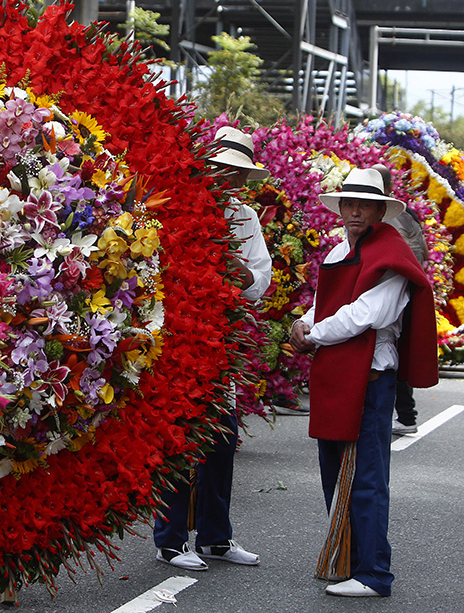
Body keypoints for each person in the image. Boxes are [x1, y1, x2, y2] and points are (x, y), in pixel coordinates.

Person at [289, 168, 438, 597]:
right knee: (335, 474)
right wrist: (303, 322)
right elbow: (324, 305)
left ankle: (374, 573)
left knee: (367, 478)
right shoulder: (340, 250)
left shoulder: (390, 253)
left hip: (369, 380)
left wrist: (313, 334)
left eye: (364, 204)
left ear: (379, 210)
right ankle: (348, 558)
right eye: (348, 204)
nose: (354, 211)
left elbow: (368, 314)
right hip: (337, 376)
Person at [153, 126, 271, 571]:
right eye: (221, 170)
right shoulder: (180, 210)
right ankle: (170, 540)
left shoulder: (245, 219)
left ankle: (215, 538)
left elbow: (261, 281)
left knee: (221, 439)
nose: (228, 181)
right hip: (181, 339)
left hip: (225, 341)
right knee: (180, 437)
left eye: (236, 175)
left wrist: (241, 273)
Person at [372, 164, 426, 436]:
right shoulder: (408, 215)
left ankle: (404, 415)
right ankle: (405, 414)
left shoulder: (388, 217)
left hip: (391, 291)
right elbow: (422, 254)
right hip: (409, 290)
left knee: (387, 352)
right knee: (397, 351)